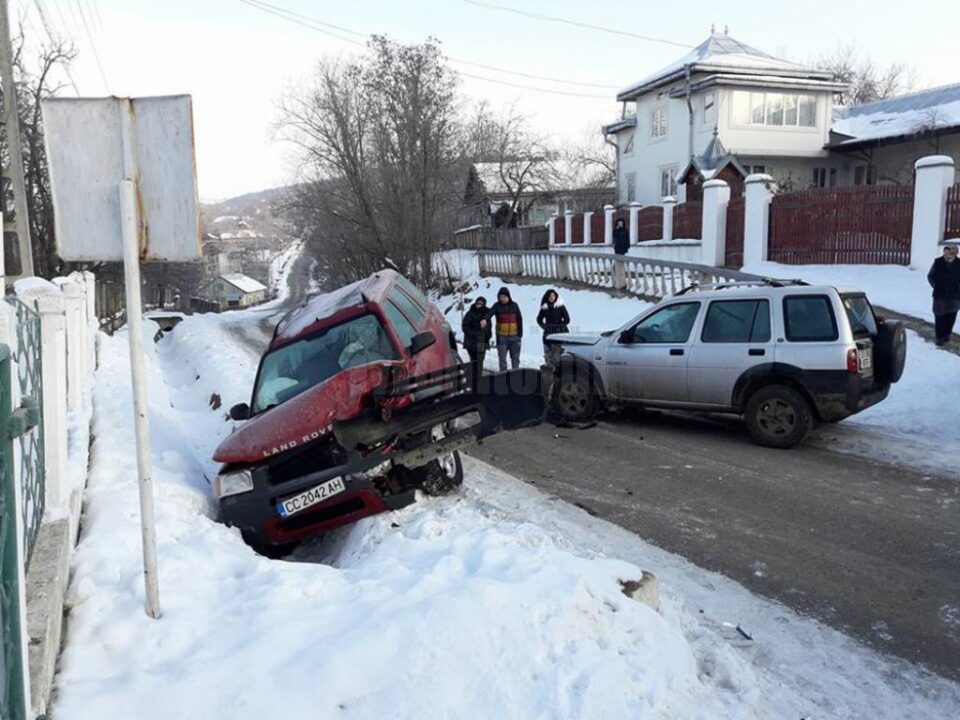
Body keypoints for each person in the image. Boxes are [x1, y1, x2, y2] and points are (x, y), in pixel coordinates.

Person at [928, 243, 960, 346]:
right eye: (946, 251)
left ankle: (947, 334)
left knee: (951, 315)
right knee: (939, 316)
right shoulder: (938, 262)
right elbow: (930, 276)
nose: (948, 253)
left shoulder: (959, 263)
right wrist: (936, 286)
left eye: (951, 251)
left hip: (954, 295)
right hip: (939, 295)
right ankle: (939, 337)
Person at [488, 286, 523, 370]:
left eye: (504, 297)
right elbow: (489, 314)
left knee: (515, 359)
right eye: (500, 297)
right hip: (502, 338)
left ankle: (515, 376)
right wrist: (484, 319)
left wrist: (520, 334)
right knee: (502, 359)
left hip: (515, 337)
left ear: (508, 297)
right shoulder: (496, 306)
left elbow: (519, 319)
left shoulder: (514, 305)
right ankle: (503, 377)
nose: (502, 299)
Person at [461, 296, 492, 386]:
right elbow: (465, 326)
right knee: (474, 360)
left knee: (480, 360)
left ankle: (478, 379)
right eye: (477, 303)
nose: (479, 305)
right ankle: (473, 380)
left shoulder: (487, 314)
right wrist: (475, 333)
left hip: (482, 341)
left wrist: (488, 336)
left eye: (481, 304)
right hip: (472, 342)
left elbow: (489, 327)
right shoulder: (470, 313)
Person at [536, 288, 570, 357]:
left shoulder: (560, 306)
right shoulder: (544, 308)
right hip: (548, 335)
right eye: (550, 296)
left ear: (556, 296)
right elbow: (539, 319)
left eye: (553, 296)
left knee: (558, 358)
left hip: (560, 335)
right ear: (547, 297)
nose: (551, 297)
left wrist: (560, 326)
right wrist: (545, 327)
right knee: (548, 356)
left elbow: (567, 319)